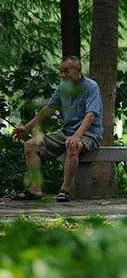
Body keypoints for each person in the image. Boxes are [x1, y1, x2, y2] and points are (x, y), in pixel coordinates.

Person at [10, 55, 103, 202]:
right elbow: (49, 109)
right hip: (67, 132)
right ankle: (35, 189)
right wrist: (27, 128)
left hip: (89, 133)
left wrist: (77, 136)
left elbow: (90, 115)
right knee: (30, 145)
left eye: (66, 71)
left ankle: (65, 190)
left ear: (78, 69)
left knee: (72, 145)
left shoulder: (91, 87)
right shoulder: (63, 87)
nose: (62, 75)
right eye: (61, 71)